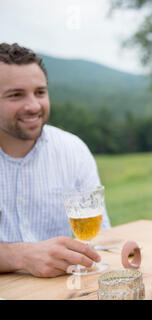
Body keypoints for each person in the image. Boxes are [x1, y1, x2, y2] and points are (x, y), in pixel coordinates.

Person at [0, 43, 111, 277]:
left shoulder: (73, 149)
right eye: (16, 95)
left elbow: (102, 237)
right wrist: (19, 255)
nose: (33, 106)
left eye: (40, 92)